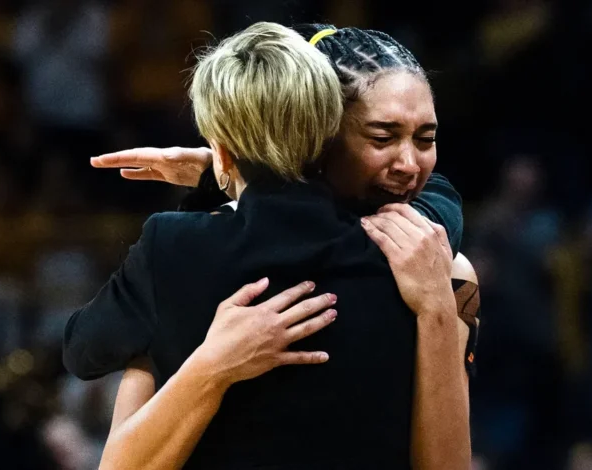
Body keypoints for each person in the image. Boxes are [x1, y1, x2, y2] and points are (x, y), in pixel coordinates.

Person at [64, 23, 472, 469]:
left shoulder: (174, 249)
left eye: (426, 139)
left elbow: (83, 352)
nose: (409, 164)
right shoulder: (425, 265)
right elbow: (441, 202)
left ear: (223, 147)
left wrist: (220, 175)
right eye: (382, 138)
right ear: (325, 136)